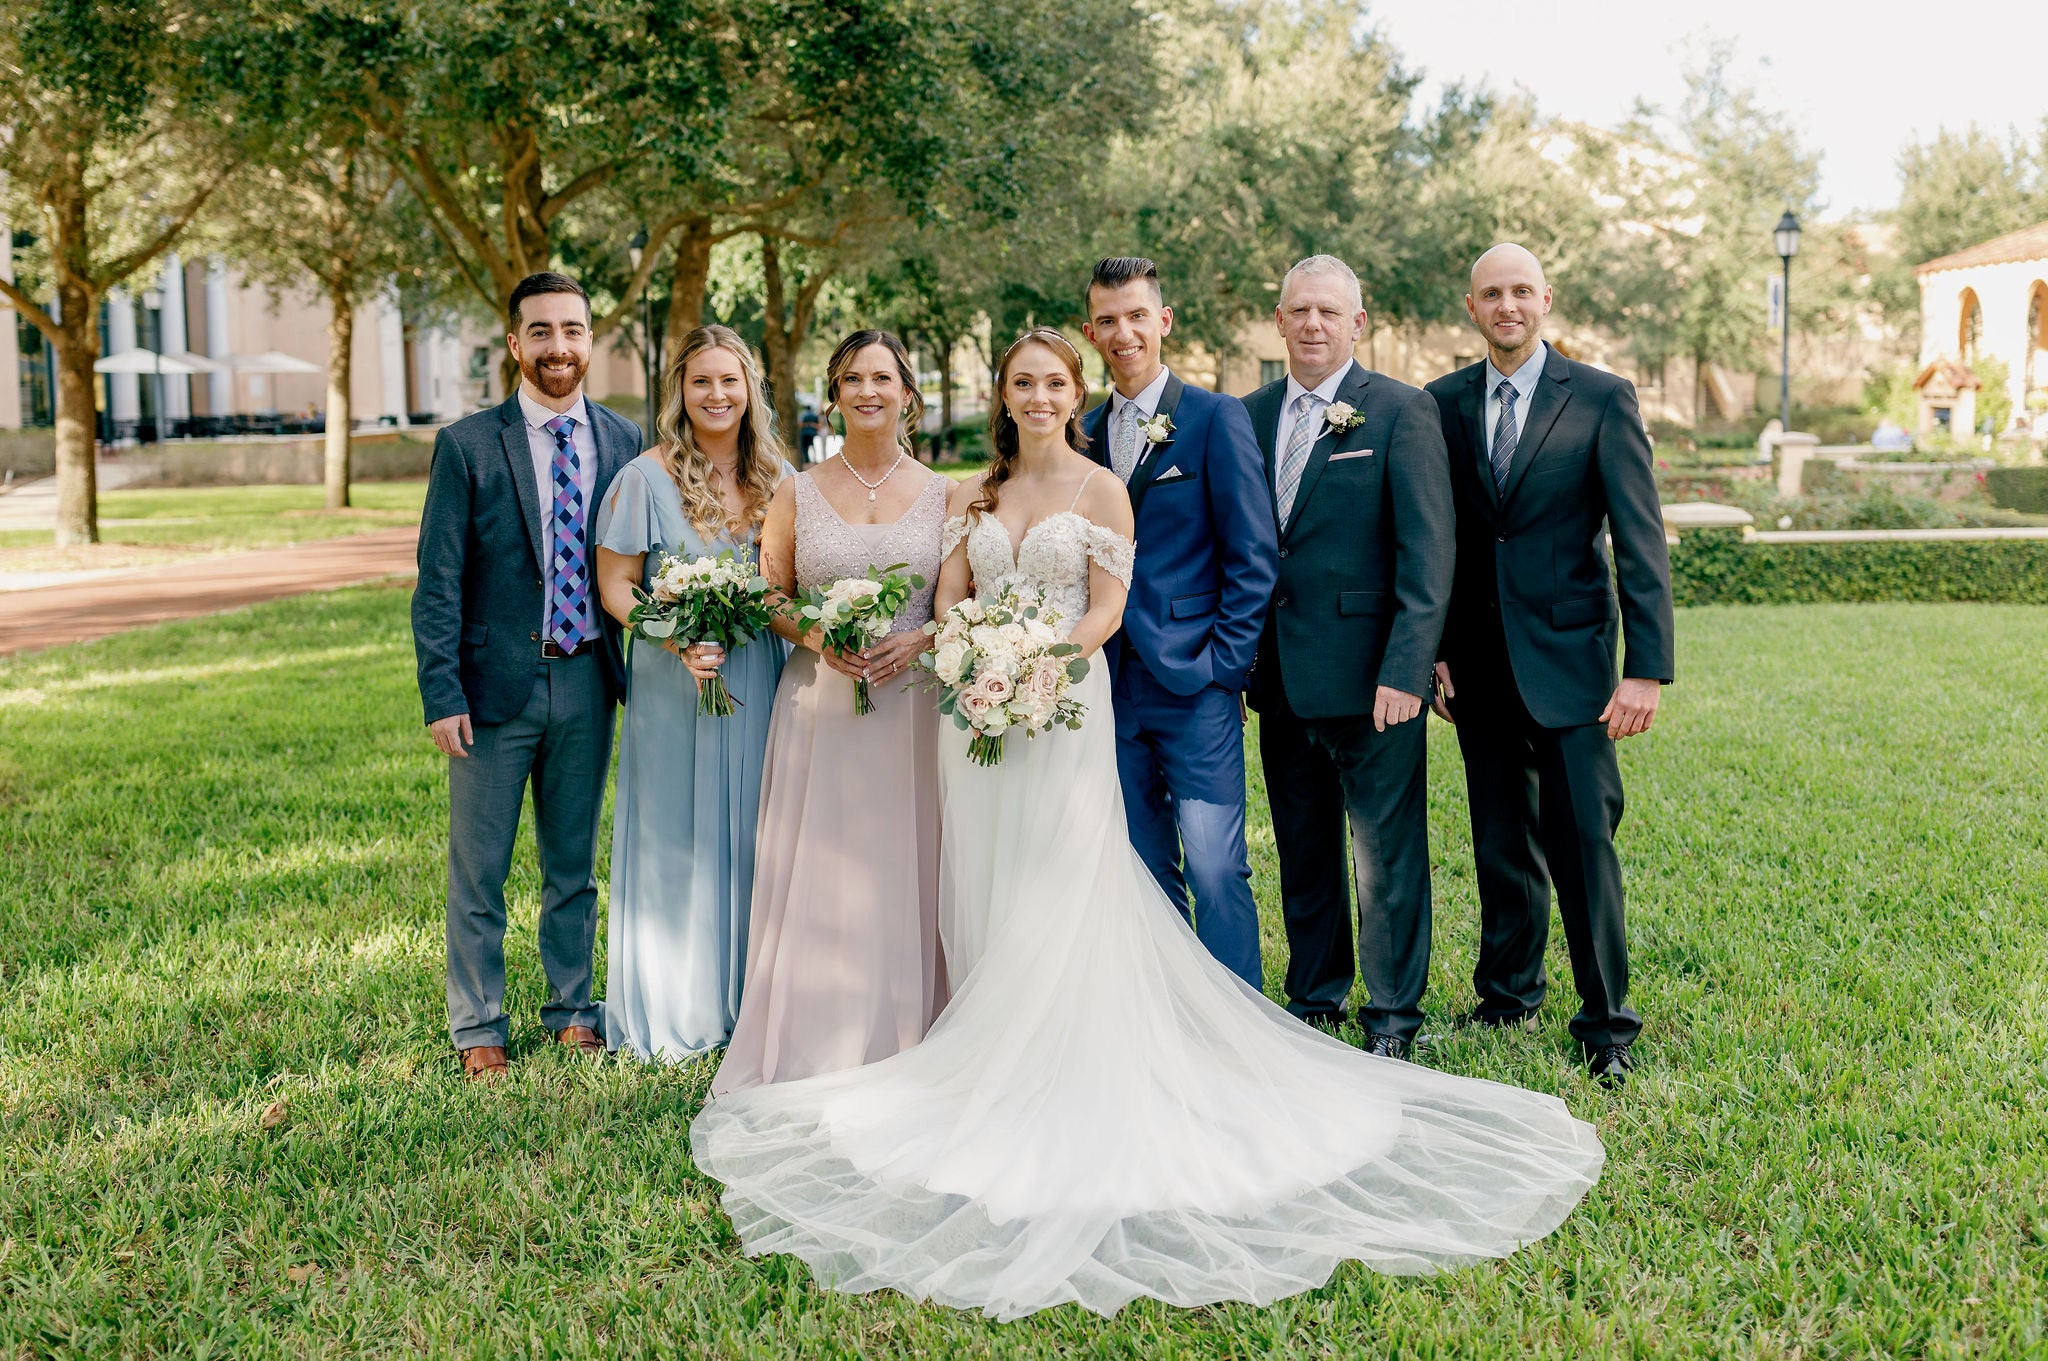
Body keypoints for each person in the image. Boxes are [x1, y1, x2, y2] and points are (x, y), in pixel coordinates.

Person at [690, 327, 1604, 1322]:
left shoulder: (1099, 489)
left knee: (1065, 882)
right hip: (976, 718)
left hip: (1061, 705)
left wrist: (1036, 655)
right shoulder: (975, 496)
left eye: (1050, 382)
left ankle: (1058, 1067)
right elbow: (950, 598)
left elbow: (1104, 613)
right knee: (983, 881)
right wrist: (971, 650)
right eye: (1019, 383)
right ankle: (982, 1049)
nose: (1035, 395)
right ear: (1000, 396)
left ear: (1073, 393)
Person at [1423, 243, 1676, 1088]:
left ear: (1546, 299)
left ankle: (1607, 1022)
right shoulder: (1441, 402)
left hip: (1572, 662)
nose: (1508, 306)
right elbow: (1442, 541)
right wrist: (1437, 652)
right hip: (1480, 669)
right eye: (1492, 294)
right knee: (1500, 839)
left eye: (1521, 291)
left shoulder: (1602, 398)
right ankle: (1506, 992)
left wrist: (1645, 670)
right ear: (1472, 306)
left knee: (1582, 842)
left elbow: (1640, 543)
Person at [411, 271, 639, 1080]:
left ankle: (574, 1010)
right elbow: (437, 580)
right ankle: (479, 1024)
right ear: (516, 343)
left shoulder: (623, 441)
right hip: (492, 691)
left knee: (572, 864)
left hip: (587, 681)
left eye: (572, 330)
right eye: (540, 332)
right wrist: (442, 692)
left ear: (589, 340)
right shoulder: (467, 445)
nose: (558, 347)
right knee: (481, 871)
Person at [711, 330, 950, 1095]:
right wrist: (816, 632)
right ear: (835, 393)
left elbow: (960, 603)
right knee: (827, 865)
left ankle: (921, 1026)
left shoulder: (949, 493)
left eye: (883, 377)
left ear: (908, 392)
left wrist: (918, 640)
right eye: (853, 379)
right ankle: (821, 1025)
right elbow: (773, 589)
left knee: (913, 861)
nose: (868, 391)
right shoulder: (797, 490)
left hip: (914, 707)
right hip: (820, 707)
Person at [1243, 255, 1455, 1059]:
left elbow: (1430, 553)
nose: (1313, 324)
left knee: (1386, 856)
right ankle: (1316, 997)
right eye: (1299, 310)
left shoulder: (1402, 411)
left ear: (1357, 323)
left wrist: (1407, 670)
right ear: (1280, 318)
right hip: (1280, 677)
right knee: (1304, 848)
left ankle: (1394, 1015)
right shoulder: (1249, 415)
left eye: (1330, 311)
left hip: (1376, 682)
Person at [592, 325, 792, 1064]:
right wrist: (674, 635)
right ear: (680, 390)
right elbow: (616, 584)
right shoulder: (644, 479)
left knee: (752, 829)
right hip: (677, 677)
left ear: (750, 390)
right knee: (675, 831)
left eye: (729, 381)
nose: (716, 395)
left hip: (757, 674)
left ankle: (750, 998)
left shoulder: (778, 476)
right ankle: (677, 1004)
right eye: (701, 381)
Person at [1078, 256, 1278, 988]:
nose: (1123, 332)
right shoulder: (1084, 433)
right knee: (1141, 859)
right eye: (1107, 320)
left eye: (1136, 315)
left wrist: (1223, 665)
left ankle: (1240, 1025)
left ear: (1163, 321)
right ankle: (1172, 1016)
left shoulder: (1216, 418)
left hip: (1195, 679)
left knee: (1219, 864)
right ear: (1092, 331)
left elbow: (1254, 554)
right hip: (1105, 682)